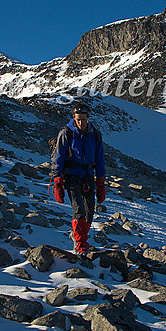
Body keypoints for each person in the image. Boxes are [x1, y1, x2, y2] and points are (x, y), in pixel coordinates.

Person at [51, 102, 106, 254]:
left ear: (88, 117)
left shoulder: (95, 134)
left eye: (83, 119)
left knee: (89, 211)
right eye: (78, 119)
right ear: (73, 118)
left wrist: (101, 182)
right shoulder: (66, 133)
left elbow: (100, 158)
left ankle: (82, 238)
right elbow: (59, 157)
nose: (80, 122)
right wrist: (58, 181)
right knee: (79, 209)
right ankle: (80, 244)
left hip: (88, 175)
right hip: (72, 175)